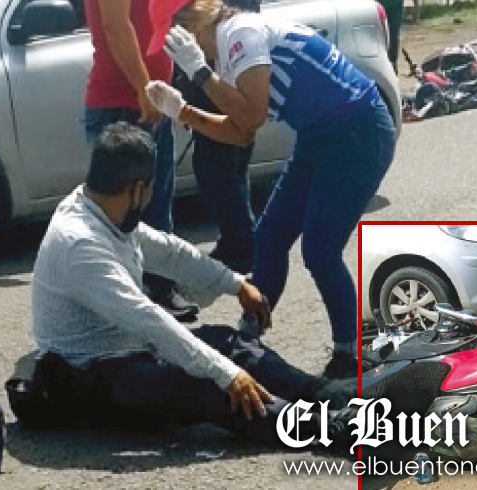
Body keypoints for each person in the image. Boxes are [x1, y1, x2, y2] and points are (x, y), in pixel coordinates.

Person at [30, 122, 355, 444]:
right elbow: (147, 319)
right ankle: (328, 428)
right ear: (138, 189)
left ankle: (325, 394)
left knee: (230, 344)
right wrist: (227, 375)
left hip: (132, 350)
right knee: (212, 385)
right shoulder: (79, 245)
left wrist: (236, 284)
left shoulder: (101, 209)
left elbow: (171, 253)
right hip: (92, 376)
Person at [144, 0, 396, 378]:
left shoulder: (240, 35)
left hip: (358, 133)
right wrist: (183, 112)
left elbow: (252, 115)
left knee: (320, 251)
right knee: (269, 238)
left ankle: (352, 353)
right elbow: (240, 133)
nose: (171, 55)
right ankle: (247, 339)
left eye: (170, 41)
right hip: (319, 135)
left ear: (190, 26)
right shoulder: (226, 54)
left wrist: (200, 73)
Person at [83, 0, 198, 321]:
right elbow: (115, 25)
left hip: (150, 102)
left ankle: (159, 292)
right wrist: (144, 88)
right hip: (123, 105)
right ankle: (127, 307)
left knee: (156, 207)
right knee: (120, 219)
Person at [172, 0, 260, 274]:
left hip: (217, 56)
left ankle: (243, 248)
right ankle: (238, 242)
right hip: (218, 52)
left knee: (218, 167)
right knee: (225, 168)